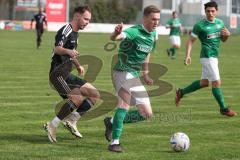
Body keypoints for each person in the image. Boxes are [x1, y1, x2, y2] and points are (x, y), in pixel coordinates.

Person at [103, 5, 160, 152]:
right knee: (124, 105)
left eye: (158, 20)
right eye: (153, 19)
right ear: (145, 18)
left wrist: (145, 73)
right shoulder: (134, 31)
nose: (156, 22)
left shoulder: (153, 35)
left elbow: (147, 54)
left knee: (146, 114)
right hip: (122, 71)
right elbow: (117, 37)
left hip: (133, 75)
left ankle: (112, 121)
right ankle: (114, 143)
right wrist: (116, 33)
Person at [43, 5, 100, 143]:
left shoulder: (76, 34)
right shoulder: (66, 30)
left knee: (94, 94)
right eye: (86, 19)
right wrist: (68, 52)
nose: (87, 22)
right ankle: (52, 125)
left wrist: (78, 65)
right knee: (77, 98)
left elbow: (72, 53)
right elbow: (57, 49)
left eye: (89, 20)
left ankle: (72, 121)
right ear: (77, 16)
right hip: (57, 74)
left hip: (67, 74)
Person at [175, 1, 237, 117]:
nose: (210, 13)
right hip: (207, 56)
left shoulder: (220, 23)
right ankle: (223, 109)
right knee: (217, 82)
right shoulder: (200, 26)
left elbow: (223, 40)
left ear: (216, 11)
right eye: (208, 11)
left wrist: (227, 35)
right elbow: (190, 41)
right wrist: (187, 55)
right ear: (205, 11)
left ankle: (181, 92)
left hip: (214, 57)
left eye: (213, 11)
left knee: (204, 83)